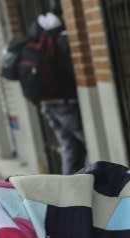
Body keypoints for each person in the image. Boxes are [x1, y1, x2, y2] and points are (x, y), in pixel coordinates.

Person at [31, 9, 87, 174]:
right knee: (89, 142)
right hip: (64, 103)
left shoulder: (41, 44)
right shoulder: (61, 40)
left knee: (68, 146)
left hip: (47, 104)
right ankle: (98, 180)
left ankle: (69, 189)